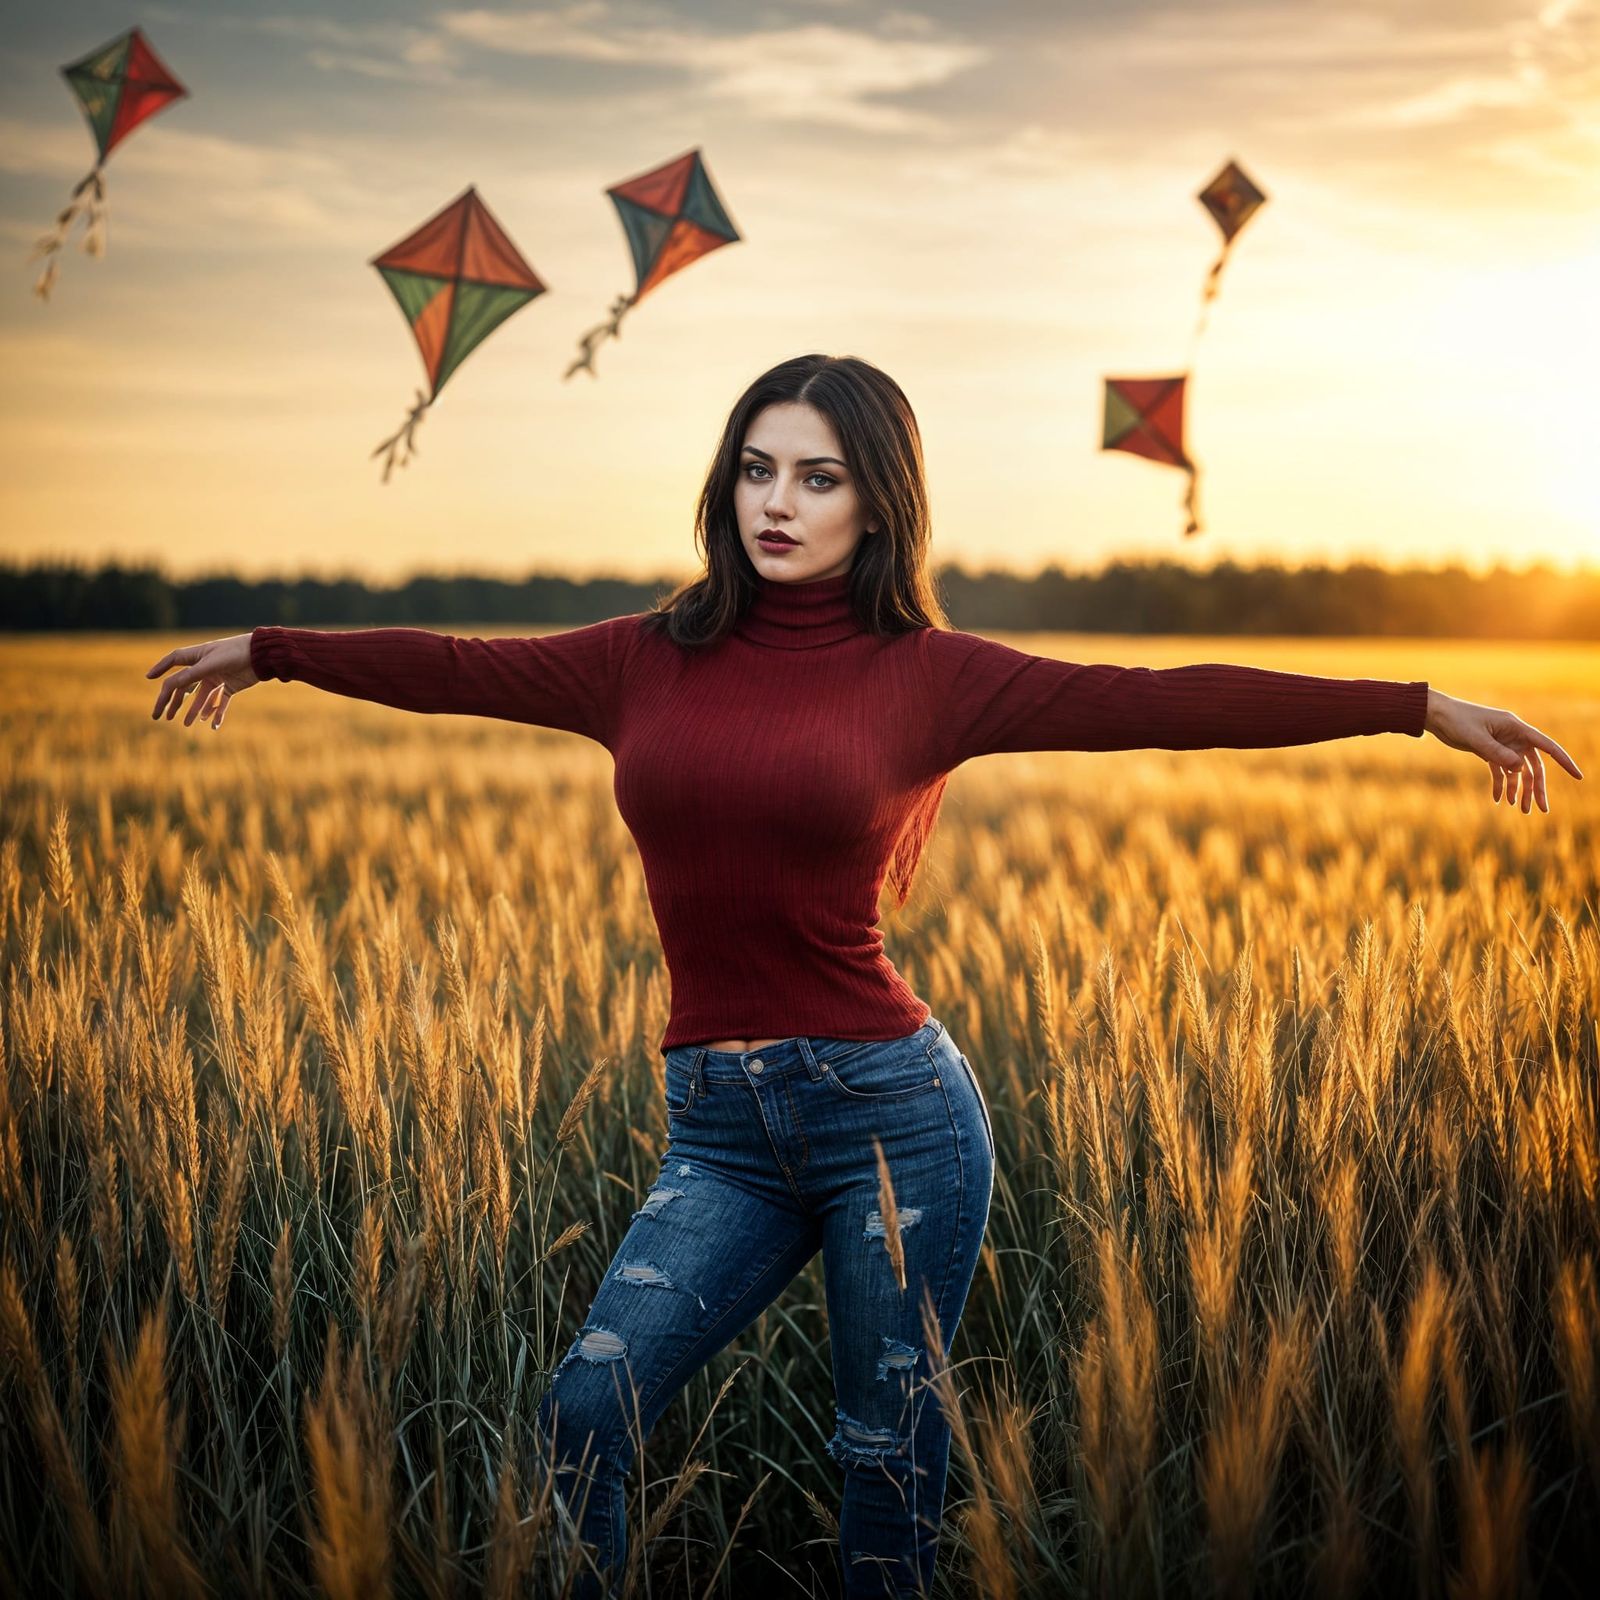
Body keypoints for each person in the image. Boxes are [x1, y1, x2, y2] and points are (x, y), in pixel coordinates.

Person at [146, 353, 1582, 1597]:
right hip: (717, 1128)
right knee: (586, 1411)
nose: (778, 501)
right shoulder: (642, 658)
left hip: (889, 1120)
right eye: (757, 469)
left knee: (885, 1462)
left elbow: (1162, 703)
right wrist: (274, 650)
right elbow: (456, 661)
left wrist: (1418, 707)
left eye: (818, 477)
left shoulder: (930, 674)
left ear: (877, 500)